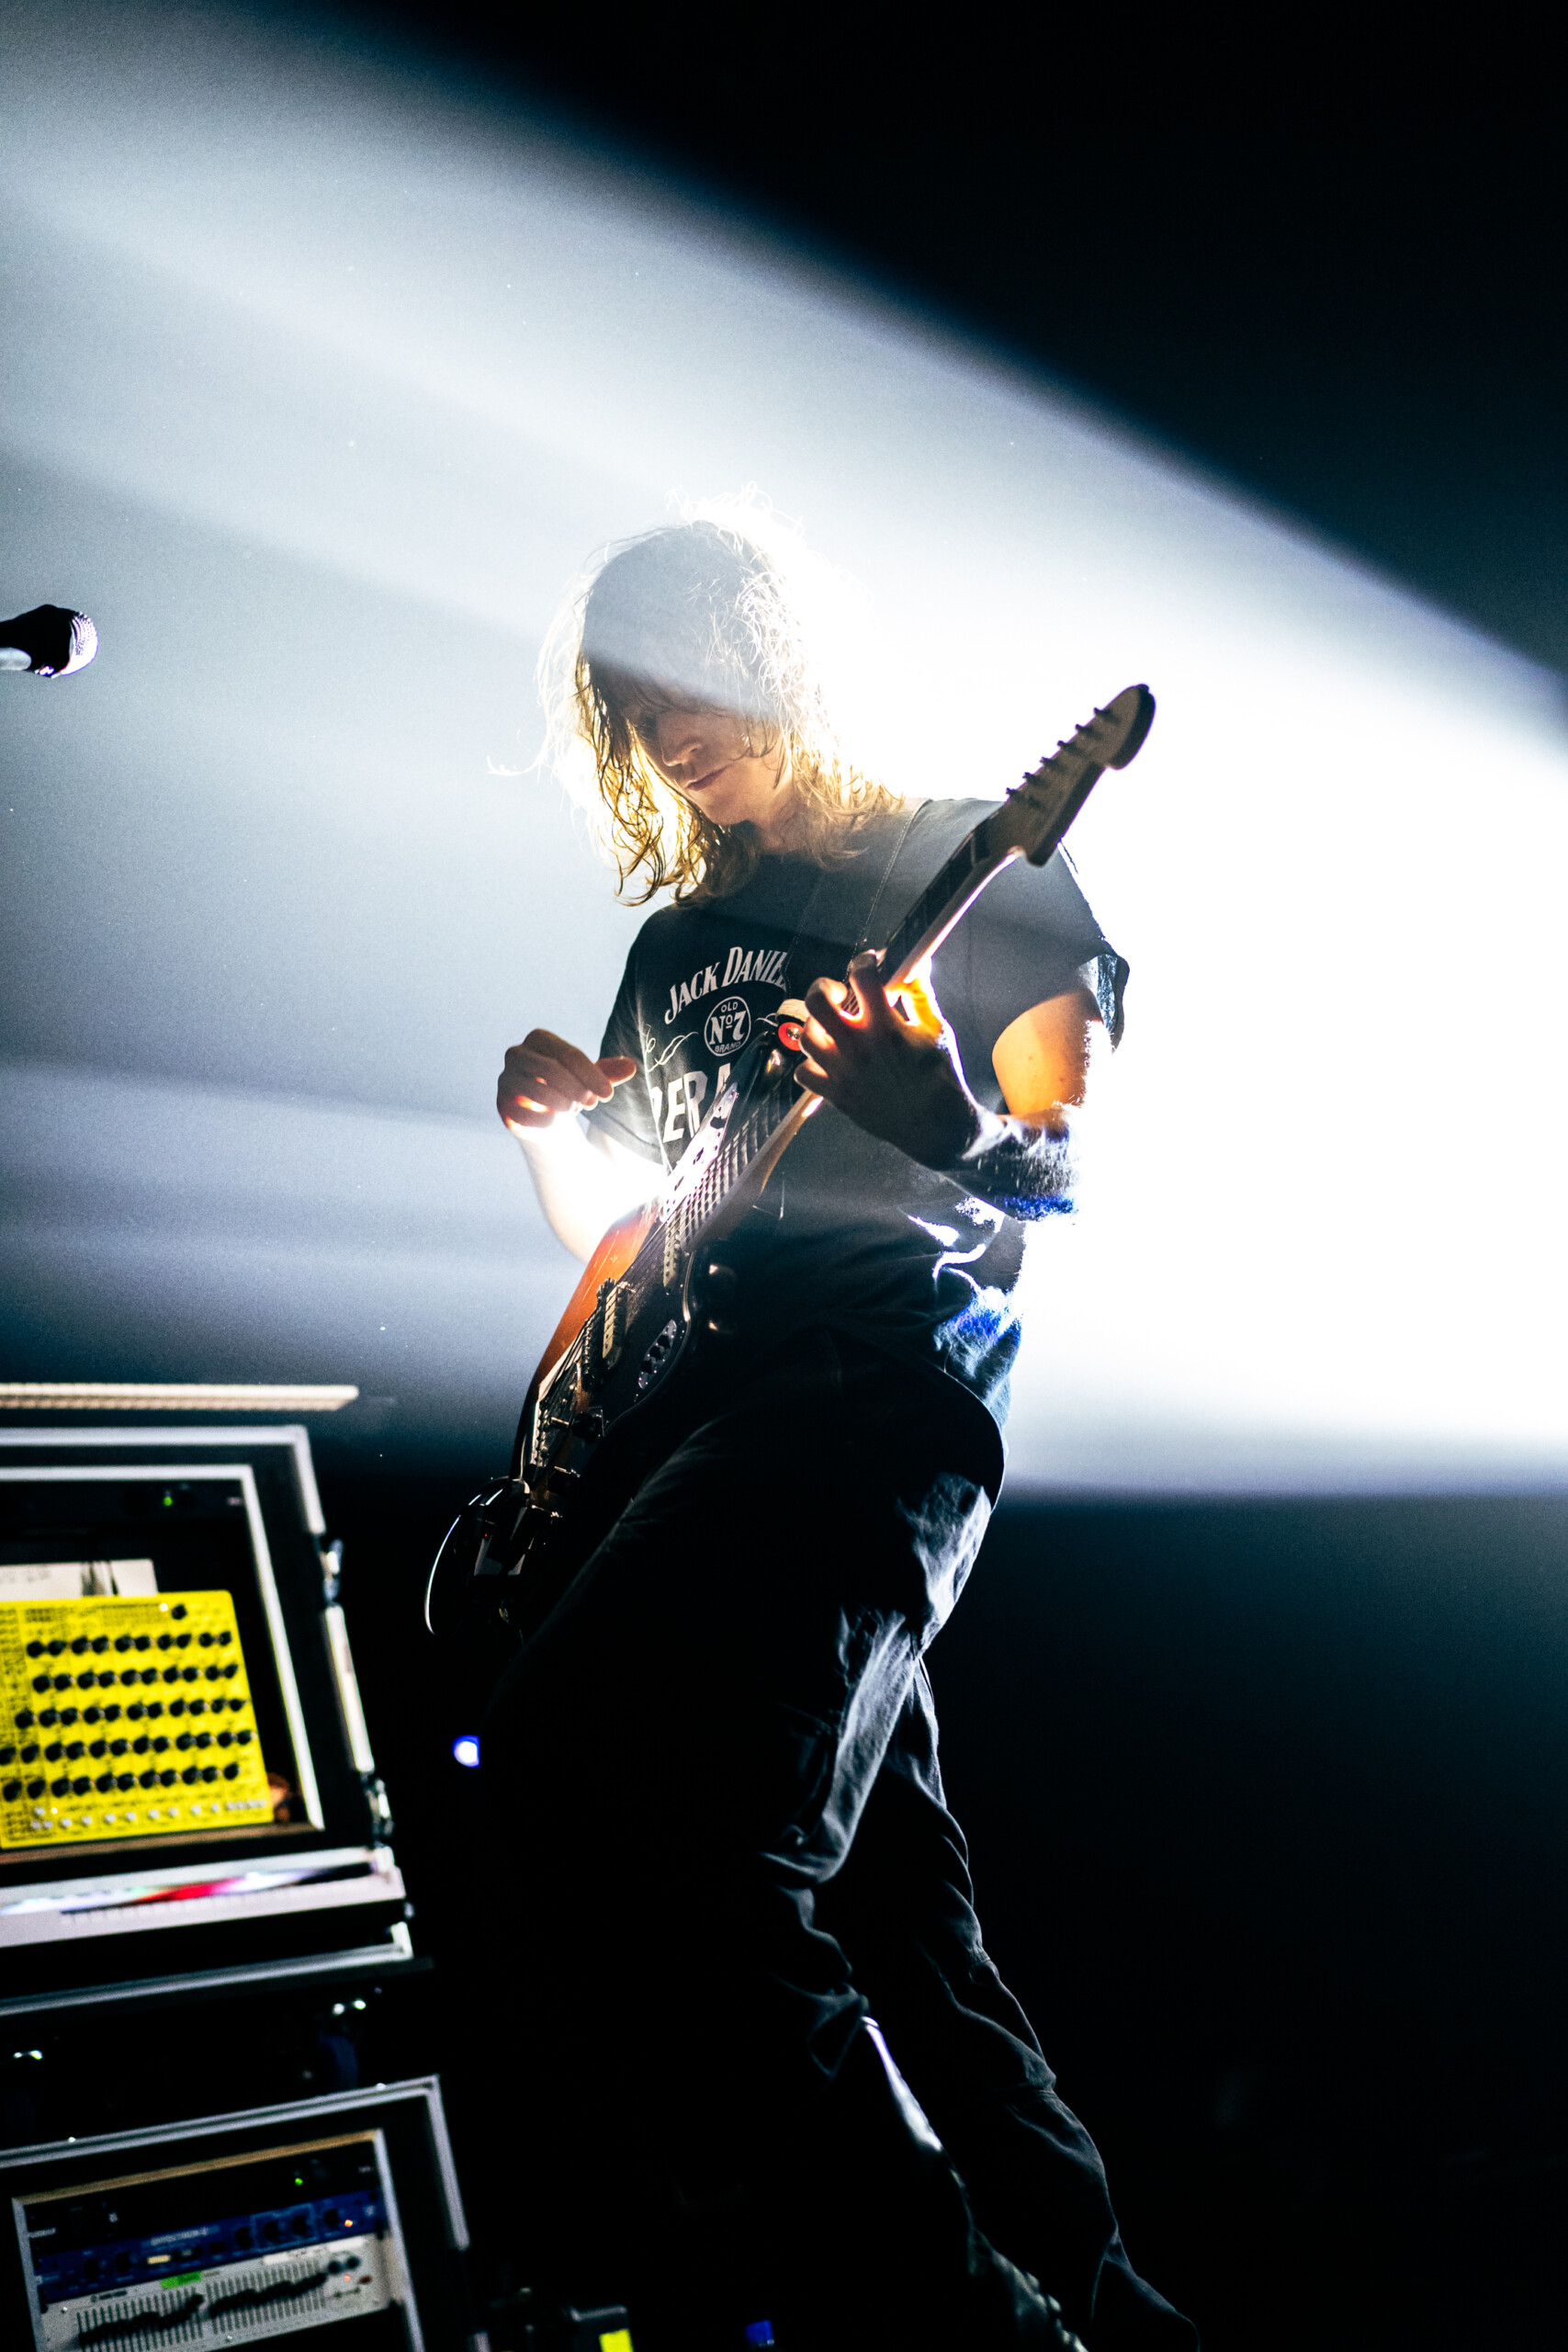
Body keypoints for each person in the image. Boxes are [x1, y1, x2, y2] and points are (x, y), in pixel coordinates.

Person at [481, 517, 1195, 2350]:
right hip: (694, 1428)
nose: (664, 740)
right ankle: (1106, 2313)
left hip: (860, 1408)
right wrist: (563, 1123)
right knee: (904, 1948)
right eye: (627, 714)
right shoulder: (678, 943)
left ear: (776, 659)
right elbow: (633, 1246)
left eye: (687, 689)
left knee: (621, 1806)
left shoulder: (966, 862)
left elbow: (1057, 1160)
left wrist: (937, 1109)